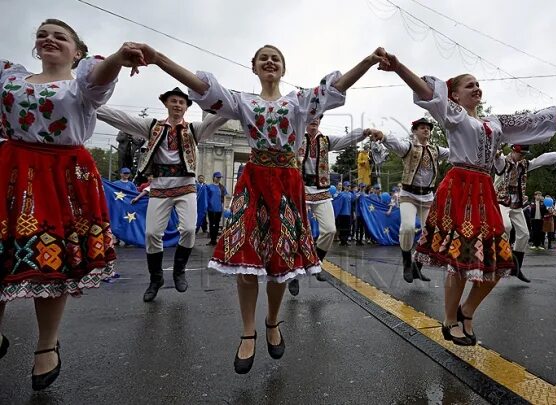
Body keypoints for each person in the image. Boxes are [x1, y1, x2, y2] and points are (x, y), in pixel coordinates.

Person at [134, 41, 386, 373]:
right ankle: (248, 329)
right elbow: (202, 87)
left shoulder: (298, 102)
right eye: (263, 58)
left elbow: (333, 88)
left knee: (280, 258)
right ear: (254, 67)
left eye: (276, 58)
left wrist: (367, 61)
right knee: (246, 256)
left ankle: (272, 321)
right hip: (253, 182)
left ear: (283, 68)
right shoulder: (243, 101)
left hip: (286, 183)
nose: (270, 61)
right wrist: (158, 59)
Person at [376, 50, 556, 346]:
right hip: (460, 186)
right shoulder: (453, 114)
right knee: (460, 259)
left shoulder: (496, 123)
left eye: (478, 85)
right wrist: (399, 66)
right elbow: (427, 90)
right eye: (470, 85)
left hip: (484, 190)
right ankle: (450, 319)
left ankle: (468, 310)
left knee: (498, 261)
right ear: (454, 95)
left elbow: (540, 120)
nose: (477, 88)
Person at [0, 19, 144, 390]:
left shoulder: (82, 83)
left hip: (61, 176)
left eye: (59, 36)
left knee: (50, 259)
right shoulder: (10, 78)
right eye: (42, 35)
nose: (48, 39)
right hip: (11, 171)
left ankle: (47, 343)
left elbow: (101, 73)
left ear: (77, 51)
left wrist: (119, 55)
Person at [97, 87, 228, 302]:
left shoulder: (194, 129)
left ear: (186, 107)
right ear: (166, 104)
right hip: (159, 187)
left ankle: (179, 271)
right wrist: (92, 104)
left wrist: (235, 106)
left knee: (187, 229)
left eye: (181, 102)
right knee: (151, 234)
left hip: (186, 186)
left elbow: (217, 119)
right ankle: (156, 278)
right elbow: (122, 119)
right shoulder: (152, 127)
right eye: (173, 101)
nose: (177, 105)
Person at [288, 117, 367, 295]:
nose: (314, 121)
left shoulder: (326, 141)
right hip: (299, 188)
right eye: (310, 118)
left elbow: (346, 139)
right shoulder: (295, 137)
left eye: (317, 118)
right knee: (298, 231)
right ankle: (294, 274)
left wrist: (364, 132)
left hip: (321, 190)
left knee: (330, 229)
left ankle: (316, 263)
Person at [374, 117, 449, 283]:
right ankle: (407, 264)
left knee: (431, 232)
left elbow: (454, 152)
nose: (426, 130)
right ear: (414, 131)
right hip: (409, 194)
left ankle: (417, 267)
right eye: (422, 127)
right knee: (407, 228)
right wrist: (383, 136)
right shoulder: (408, 147)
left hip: (428, 196)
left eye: (428, 128)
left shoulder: (436, 149)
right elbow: (396, 144)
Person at [494, 145, 556, 282]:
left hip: (516, 204)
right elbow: (496, 160)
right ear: (513, 151)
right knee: (506, 226)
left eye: (524, 154)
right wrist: (495, 154)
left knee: (524, 234)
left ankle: (516, 268)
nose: (522, 156)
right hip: (501, 201)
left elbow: (543, 159)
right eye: (520, 153)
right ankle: (504, 256)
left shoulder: (525, 164)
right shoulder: (503, 162)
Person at [206, 171, 227, 246]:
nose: (218, 178)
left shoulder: (222, 187)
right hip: (210, 208)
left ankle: (215, 240)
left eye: (219, 177)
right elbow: (206, 197)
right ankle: (212, 240)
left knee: (217, 224)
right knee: (211, 224)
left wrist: (224, 207)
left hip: (219, 209)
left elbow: (224, 197)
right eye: (217, 177)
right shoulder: (209, 187)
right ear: (213, 177)